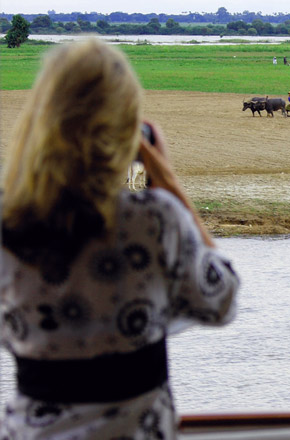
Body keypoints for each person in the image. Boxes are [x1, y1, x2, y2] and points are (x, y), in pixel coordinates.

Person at [0, 39, 239, 438]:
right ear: (128, 128)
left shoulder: (8, 219)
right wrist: (170, 184)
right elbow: (222, 303)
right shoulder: (154, 218)